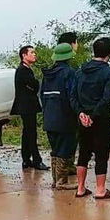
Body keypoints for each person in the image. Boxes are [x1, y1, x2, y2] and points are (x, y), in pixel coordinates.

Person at [70, 37, 110, 199]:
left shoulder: (80, 72)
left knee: (83, 152)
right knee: (101, 154)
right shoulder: (109, 73)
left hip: (82, 118)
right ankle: (100, 190)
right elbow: (106, 99)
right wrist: (93, 116)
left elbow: (73, 96)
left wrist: (81, 113)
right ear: (109, 54)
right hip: (100, 119)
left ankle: (80, 188)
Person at [41, 43, 78, 190]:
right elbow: (72, 96)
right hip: (65, 117)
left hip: (49, 117)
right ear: (69, 57)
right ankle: (62, 182)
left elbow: (41, 97)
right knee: (65, 148)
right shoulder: (69, 73)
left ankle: (55, 181)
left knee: (55, 149)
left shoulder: (47, 75)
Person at [11, 45, 49, 171]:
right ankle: (36, 160)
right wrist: (36, 84)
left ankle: (26, 159)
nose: (34, 54)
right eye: (32, 52)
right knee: (31, 133)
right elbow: (34, 85)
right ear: (24, 55)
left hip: (27, 105)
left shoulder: (26, 69)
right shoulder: (23, 70)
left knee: (27, 132)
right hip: (26, 106)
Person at [57, 32, 80, 175]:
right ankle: (62, 178)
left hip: (54, 113)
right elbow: (73, 93)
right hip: (67, 113)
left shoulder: (51, 71)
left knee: (59, 145)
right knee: (67, 142)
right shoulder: (69, 72)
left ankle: (64, 172)